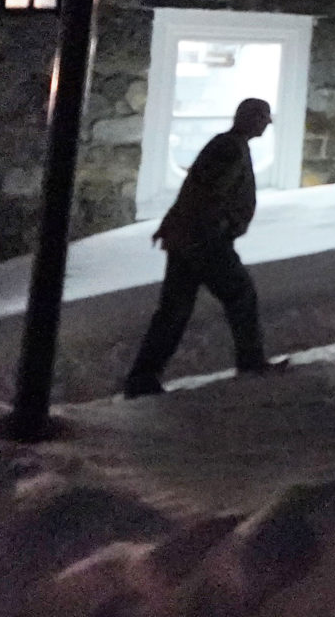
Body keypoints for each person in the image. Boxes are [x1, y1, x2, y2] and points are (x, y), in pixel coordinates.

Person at [122, 97, 286, 396]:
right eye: (263, 117)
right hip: (206, 241)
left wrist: (172, 226)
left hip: (188, 239)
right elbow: (205, 195)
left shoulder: (226, 145)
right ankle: (250, 362)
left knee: (174, 310)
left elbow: (192, 189)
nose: (267, 124)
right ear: (249, 118)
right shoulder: (229, 149)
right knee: (241, 295)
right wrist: (215, 228)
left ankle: (142, 378)